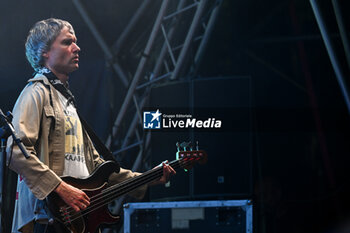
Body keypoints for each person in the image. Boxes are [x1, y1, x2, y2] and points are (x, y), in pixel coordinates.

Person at [6, 18, 175, 233]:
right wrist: (60, 188)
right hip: (48, 218)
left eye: (75, 42)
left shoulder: (67, 102)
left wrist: (148, 178)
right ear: (44, 51)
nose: (77, 48)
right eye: (67, 42)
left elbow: (98, 168)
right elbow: (15, 152)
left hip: (77, 221)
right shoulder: (35, 92)